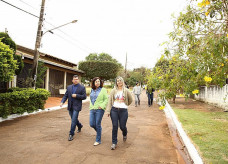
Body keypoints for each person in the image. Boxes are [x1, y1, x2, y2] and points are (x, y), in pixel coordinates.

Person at [106, 76, 133, 150]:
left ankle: (125, 133)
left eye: (120, 80)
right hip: (114, 110)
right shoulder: (113, 91)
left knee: (122, 126)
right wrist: (108, 111)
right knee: (115, 126)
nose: (119, 82)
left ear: (123, 82)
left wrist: (125, 104)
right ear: (116, 82)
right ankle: (114, 142)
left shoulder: (126, 90)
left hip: (123, 111)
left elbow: (131, 100)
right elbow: (110, 102)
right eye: (118, 81)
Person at [60, 75, 87, 141]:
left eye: (77, 79)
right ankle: (80, 126)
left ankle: (71, 134)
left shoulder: (82, 87)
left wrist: (76, 95)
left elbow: (84, 96)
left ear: (78, 80)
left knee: (73, 120)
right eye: (74, 79)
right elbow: (66, 95)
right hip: (70, 106)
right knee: (74, 119)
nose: (76, 80)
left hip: (77, 106)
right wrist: (62, 102)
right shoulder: (69, 87)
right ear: (72, 80)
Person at [89, 77, 108, 146]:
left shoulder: (103, 90)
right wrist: (91, 106)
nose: (98, 83)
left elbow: (106, 99)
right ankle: (99, 132)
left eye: (99, 81)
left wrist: (102, 106)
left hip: (99, 109)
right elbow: (91, 99)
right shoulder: (92, 90)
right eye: (96, 81)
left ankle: (98, 140)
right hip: (92, 109)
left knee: (97, 124)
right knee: (91, 124)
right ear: (94, 83)